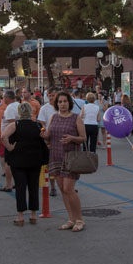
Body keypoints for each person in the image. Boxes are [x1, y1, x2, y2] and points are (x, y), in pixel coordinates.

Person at [42, 91, 87, 232]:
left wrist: (72, 138)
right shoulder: (53, 117)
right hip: (55, 155)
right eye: (60, 102)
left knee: (69, 189)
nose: (62, 104)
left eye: (65, 101)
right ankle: (71, 219)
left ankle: (80, 219)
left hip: (70, 157)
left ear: (69, 103)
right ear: (57, 104)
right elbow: (49, 136)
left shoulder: (76, 118)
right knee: (62, 190)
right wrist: (44, 136)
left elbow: (83, 138)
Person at [3, 102, 46, 226]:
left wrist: (10, 148)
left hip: (18, 161)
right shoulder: (37, 125)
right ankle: (33, 215)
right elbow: (45, 138)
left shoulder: (15, 125)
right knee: (33, 187)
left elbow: (4, 137)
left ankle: (20, 216)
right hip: (35, 160)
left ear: (19, 112)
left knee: (20, 188)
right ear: (31, 111)